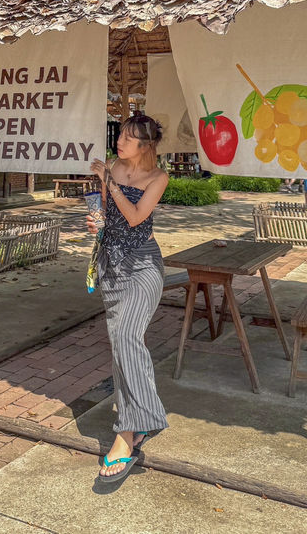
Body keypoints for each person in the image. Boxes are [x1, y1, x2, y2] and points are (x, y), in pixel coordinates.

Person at [87, 114, 169, 483]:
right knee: (121, 346)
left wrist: (110, 182)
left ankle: (127, 433)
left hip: (143, 266)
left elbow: (136, 218)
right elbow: (110, 218)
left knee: (125, 337)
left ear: (146, 146)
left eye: (130, 138)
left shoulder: (158, 178)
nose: (120, 141)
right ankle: (142, 422)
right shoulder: (111, 167)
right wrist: (96, 223)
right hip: (111, 265)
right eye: (120, 134)